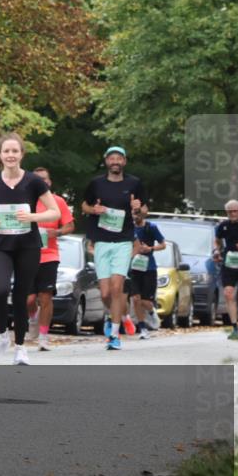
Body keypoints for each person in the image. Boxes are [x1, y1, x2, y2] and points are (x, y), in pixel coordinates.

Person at [0, 133, 60, 365]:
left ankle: (21, 348)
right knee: (0, 290)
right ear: (0, 155)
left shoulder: (34, 181)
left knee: (21, 296)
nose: (10, 155)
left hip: (28, 246)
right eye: (6, 151)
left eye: (15, 151)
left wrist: (32, 216)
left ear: (22, 154)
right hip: (2, 245)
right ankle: (2, 335)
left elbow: (55, 212)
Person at [81, 146, 147, 351]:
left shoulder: (134, 183)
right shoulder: (96, 183)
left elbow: (144, 211)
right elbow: (84, 206)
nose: (115, 161)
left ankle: (114, 335)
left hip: (123, 241)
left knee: (117, 288)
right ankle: (118, 315)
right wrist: (94, 209)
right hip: (101, 241)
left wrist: (138, 210)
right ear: (106, 161)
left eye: (119, 158)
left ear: (124, 161)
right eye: (112, 158)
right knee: (105, 293)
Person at [25, 167, 75, 350]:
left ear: (49, 182)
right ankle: (33, 318)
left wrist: (57, 232)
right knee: (29, 300)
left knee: (45, 297)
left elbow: (70, 226)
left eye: (44, 179)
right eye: (37, 179)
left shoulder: (57, 201)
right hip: (28, 255)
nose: (41, 182)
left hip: (49, 255)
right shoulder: (25, 200)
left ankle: (44, 337)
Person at [214, 199, 238, 340]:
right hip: (229, 264)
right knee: (228, 293)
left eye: (235, 211)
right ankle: (234, 328)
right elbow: (217, 240)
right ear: (226, 212)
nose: (232, 214)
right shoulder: (223, 226)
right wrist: (216, 250)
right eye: (229, 211)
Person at [128, 208, 165, 340]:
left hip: (149, 268)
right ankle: (143, 328)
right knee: (136, 299)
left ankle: (151, 312)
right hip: (134, 268)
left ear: (143, 214)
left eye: (138, 213)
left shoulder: (151, 227)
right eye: (133, 213)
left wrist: (150, 248)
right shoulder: (129, 228)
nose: (135, 216)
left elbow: (163, 245)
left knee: (145, 302)